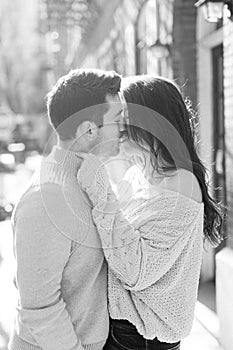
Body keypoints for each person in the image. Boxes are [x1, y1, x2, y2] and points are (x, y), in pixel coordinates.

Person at [77, 75, 224, 350]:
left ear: (149, 123)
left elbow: (135, 271)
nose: (115, 126)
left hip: (141, 339)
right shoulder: (138, 174)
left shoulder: (180, 185)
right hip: (123, 330)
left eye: (122, 116)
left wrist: (101, 190)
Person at [8, 68, 123, 350]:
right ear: (89, 130)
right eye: (117, 120)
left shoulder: (86, 180)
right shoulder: (45, 199)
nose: (123, 130)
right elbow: (39, 308)